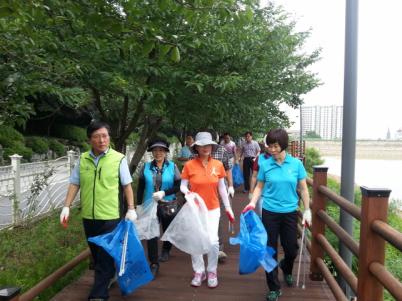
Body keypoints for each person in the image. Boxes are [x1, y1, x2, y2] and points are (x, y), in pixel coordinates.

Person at [59, 120, 137, 301]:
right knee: (96, 253)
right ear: (89, 139)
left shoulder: (119, 159)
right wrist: (66, 206)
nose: (102, 140)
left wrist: (131, 208)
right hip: (89, 216)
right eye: (97, 136)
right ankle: (110, 276)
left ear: (109, 137)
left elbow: (127, 186)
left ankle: (99, 294)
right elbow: (74, 183)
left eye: (105, 136)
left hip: (110, 217)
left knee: (104, 256)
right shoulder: (83, 159)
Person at [242, 129, 312, 301]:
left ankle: (286, 268)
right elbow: (259, 186)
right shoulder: (265, 164)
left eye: (275, 146)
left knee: (291, 249)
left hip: (290, 212)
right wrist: (252, 202)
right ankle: (273, 287)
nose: (272, 150)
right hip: (270, 212)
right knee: (269, 250)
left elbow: (303, 188)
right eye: (269, 146)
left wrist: (308, 209)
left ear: (283, 145)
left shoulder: (296, 164)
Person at [180, 131, 235, 288]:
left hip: (213, 208)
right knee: (195, 240)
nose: (206, 148)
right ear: (196, 148)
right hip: (195, 208)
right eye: (202, 145)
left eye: (208, 145)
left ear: (212, 146)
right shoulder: (189, 165)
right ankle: (199, 271)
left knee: (212, 241)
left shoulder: (217, 165)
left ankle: (212, 271)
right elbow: (182, 186)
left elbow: (222, 189)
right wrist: (187, 192)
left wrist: (229, 208)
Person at [136, 138, 181, 278]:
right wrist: (138, 206)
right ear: (152, 152)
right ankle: (154, 263)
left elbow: (178, 186)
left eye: (161, 150)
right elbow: (141, 187)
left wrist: (165, 192)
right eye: (155, 150)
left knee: (168, 229)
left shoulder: (172, 166)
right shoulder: (146, 167)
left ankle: (166, 249)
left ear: (166, 152)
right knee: (151, 233)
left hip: (167, 203)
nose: (158, 153)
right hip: (150, 205)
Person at [249, 137, 271, 217]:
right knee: (263, 218)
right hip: (262, 195)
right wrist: (251, 192)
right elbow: (254, 176)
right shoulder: (259, 158)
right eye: (268, 145)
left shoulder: (280, 159)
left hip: (277, 197)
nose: (269, 147)